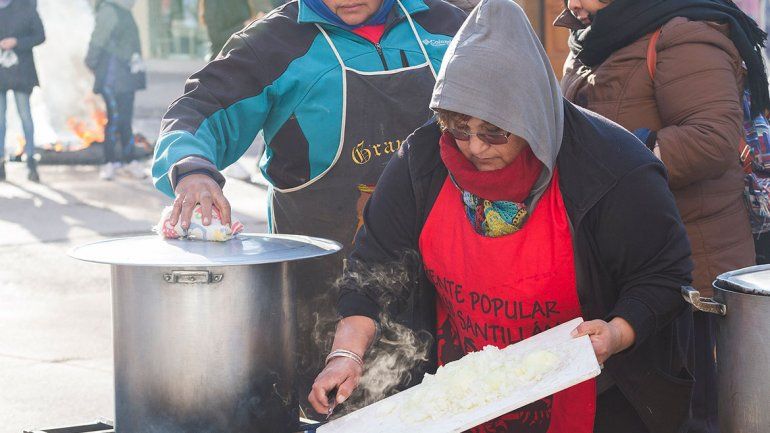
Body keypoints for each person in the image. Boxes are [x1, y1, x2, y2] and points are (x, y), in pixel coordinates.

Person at [308, 0, 695, 431]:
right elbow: (373, 265)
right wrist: (346, 354)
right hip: (466, 396)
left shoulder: (614, 167)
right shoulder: (423, 161)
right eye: (458, 128)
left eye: (495, 132)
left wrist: (617, 332)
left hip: (598, 399)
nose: (474, 147)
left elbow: (664, 274)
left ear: (530, 115)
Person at [151, 0, 466, 417]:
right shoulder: (274, 44)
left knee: (460, 404)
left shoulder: (448, 26)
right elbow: (193, 114)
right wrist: (192, 170)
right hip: (328, 291)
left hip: (452, 277)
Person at [556, 1, 767, 431]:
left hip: (692, 274)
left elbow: (713, 137)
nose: (574, 4)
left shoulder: (682, 33)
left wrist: (619, 158)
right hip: (626, 267)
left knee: (693, 413)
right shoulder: (591, 39)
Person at [86, 0, 147, 181]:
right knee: (115, 119)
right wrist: (91, 62)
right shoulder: (110, 9)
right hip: (112, 76)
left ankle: (128, 160)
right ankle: (110, 162)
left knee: (124, 119)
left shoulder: (124, 10)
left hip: (125, 74)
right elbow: (98, 39)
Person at [0, 0, 45, 182]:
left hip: (22, 71)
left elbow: (40, 35)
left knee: (25, 116)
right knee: (0, 121)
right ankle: (1, 163)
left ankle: (31, 162)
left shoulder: (26, 6)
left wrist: (17, 42)